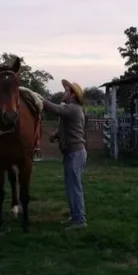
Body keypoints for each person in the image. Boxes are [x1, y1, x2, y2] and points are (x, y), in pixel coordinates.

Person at [41, 79, 88, 230]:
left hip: (75, 153)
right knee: (71, 187)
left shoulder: (72, 108)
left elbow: (55, 109)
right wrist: (57, 135)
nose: (64, 92)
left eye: (67, 91)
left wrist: (39, 98)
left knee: (74, 187)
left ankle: (80, 220)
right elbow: (69, 128)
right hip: (72, 153)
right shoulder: (73, 108)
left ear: (73, 95)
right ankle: (75, 217)